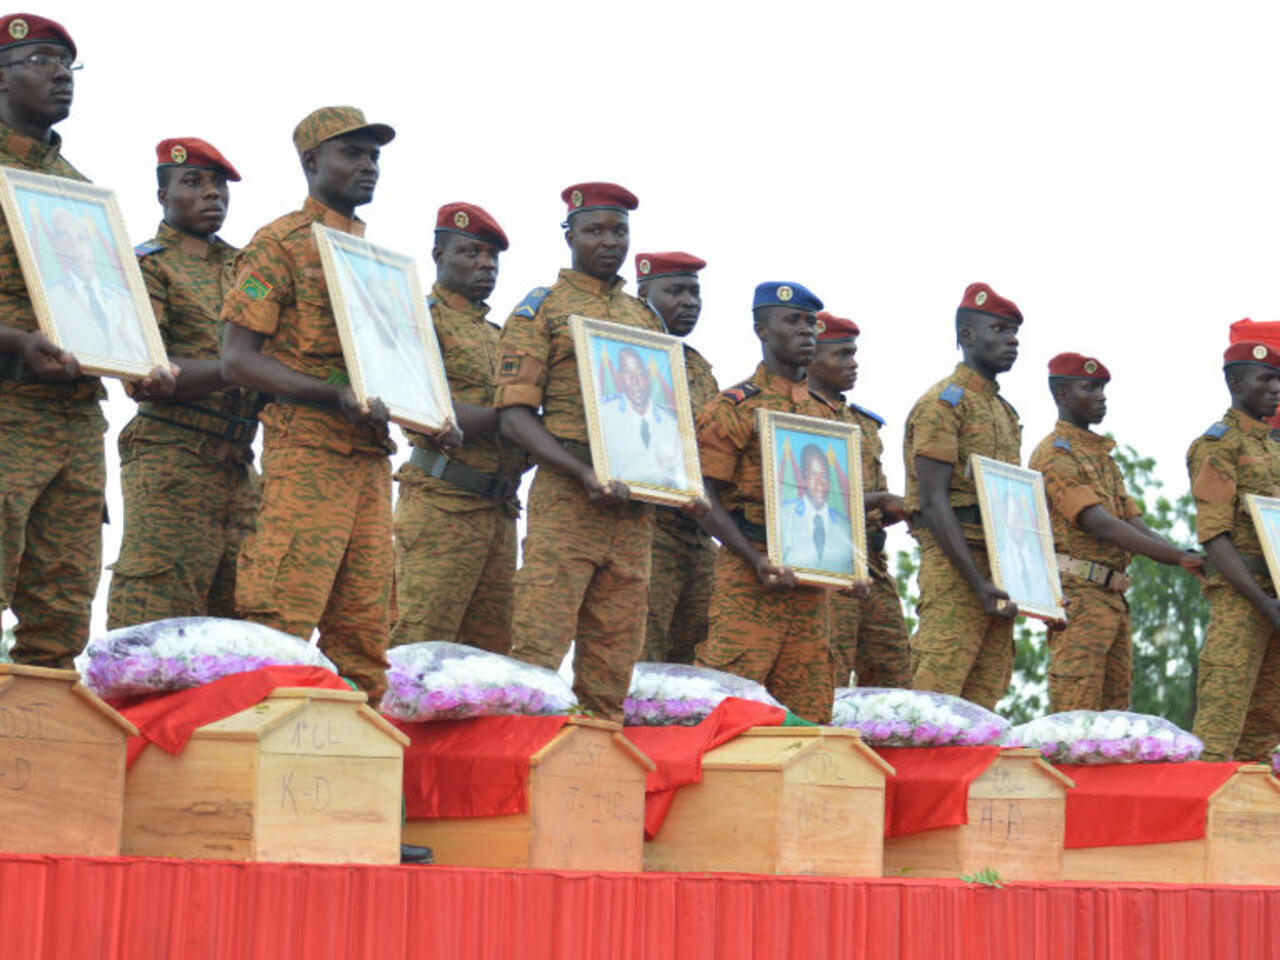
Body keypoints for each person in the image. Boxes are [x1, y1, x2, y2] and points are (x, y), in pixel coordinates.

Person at [495, 181, 705, 720]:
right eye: (595, 231)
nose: (609, 242)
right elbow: (515, 415)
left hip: (634, 513)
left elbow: (663, 419)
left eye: (619, 231)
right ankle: (518, 771)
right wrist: (581, 472)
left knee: (615, 663)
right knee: (537, 652)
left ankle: (597, 775)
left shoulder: (645, 322)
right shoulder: (542, 309)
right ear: (570, 236)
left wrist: (674, 479)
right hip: (569, 499)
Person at [0, 13, 172, 668]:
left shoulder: (74, 187)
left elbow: (101, 305)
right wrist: (17, 341)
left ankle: (37, 764)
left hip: (73, 420)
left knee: (61, 613)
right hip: (7, 408)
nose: (60, 75)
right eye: (41, 60)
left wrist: (137, 362)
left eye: (68, 64)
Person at [220, 105, 402, 700]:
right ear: (311, 161)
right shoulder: (278, 244)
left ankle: (363, 776)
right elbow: (237, 359)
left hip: (369, 461)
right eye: (352, 153)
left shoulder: (378, 265)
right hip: (307, 454)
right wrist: (333, 394)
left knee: (366, 637)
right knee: (280, 623)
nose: (368, 166)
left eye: (374, 156)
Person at [106, 138, 260, 627]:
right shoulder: (147, 265)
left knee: (240, 622)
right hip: (173, 456)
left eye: (218, 184)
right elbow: (145, 374)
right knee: (156, 615)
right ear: (163, 196)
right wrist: (239, 368)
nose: (211, 194)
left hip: (238, 461)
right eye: (193, 182)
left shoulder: (250, 271)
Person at [693, 281, 861, 723]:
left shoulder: (829, 417)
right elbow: (703, 495)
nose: (807, 331)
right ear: (762, 330)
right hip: (749, 579)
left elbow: (840, 505)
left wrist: (851, 567)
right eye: (793, 321)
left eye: (811, 322)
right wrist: (754, 559)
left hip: (811, 591)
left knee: (809, 715)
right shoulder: (733, 408)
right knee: (731, 708)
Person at [1029, 352, 1203, 712]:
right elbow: (1100, 524)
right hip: (1078, 596)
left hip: (1112, 596)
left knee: (1114, 717)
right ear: (1062, 394)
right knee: (1077, 716)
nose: (1101, 396)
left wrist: (1185, 555)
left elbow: (1133, 523)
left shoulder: (1104, 459)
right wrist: (1179, 557)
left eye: (1103, 388)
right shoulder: (1054, 454)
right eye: (1090, 387)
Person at [391, 202, 528, 653]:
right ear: (438, 255)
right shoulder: (418, 318)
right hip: (442, 507)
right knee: (418, 644)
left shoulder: (502, 335)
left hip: (498, 512)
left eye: (492, 258)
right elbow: (421, 402)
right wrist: (512, 421)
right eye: (471, 253)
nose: (485, 265)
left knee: (487, 659)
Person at [903, 282, 1023, 710]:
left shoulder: (1004, 412)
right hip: (957, 568)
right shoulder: (943, 404)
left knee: (982, 705)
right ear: (968, 336)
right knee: (935, 701)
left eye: (1015, 334)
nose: (1012, 341)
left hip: (999, 567)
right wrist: (977, 581)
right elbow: (934, 502)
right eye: (1000, 330)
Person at [1187, 342, 1280, 761]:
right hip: (1242, 600)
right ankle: (1197, 824)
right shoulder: (1218, 446)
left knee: (1266, 725)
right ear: (1236, 382)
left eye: (1278, 379)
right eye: (1266, 379)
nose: (1276, 388)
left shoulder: (1274, 447)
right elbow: (1213, 538)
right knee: (1219, 727)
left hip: (1275, 597)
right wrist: (1263, 602)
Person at [808, 310, 910, 687]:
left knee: (893, 677)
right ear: (812, 357)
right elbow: (807, 496)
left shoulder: (863, 422)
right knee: (826, 675)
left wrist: (892, 510)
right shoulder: (796, 417)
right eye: (842, 355)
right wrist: (880, 499)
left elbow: (873, 502)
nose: (853, 365)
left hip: (872, 561)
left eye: (854, 354)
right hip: (826, 564)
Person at [635, 251, 718, 663]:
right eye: (676, 291)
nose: (689, 302)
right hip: (649, 528)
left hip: (699, 533)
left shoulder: (700, 370)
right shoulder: (621, 357)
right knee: (641, 654)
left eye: (695, 293)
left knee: (693, 663)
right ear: (643, 293)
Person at [41, 205, 146, 362]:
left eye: (81, 238)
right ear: (56, 247)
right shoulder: (51, 297)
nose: (76, 247)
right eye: (65, 238)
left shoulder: (122, 299)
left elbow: (140, 355)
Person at [598, 344, 684, 487]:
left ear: (648, 377)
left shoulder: (671, 423)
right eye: (627, 373)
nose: (634, 381)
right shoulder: (603, 415)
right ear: (619, 377)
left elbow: (682, 479)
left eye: (639, 373)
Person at [780, 441, 854, 573]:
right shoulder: (783, 516)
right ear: (802, 479)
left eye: (824, 476)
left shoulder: (845, 526)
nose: (820, 484)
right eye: (812, 475)